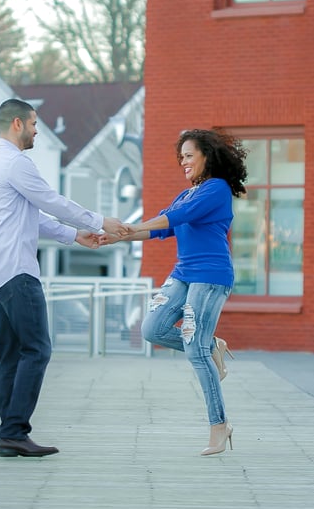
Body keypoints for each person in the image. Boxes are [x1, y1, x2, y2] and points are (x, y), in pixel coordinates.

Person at [0, 98, 129, 458]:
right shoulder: (15, 163)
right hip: (15, 270)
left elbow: (32, 215)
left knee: (12, 356)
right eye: (32, 124)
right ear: (16, 124)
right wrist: (97, 221)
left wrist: (74, 236)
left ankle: (10, 434)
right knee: (38, 349)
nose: (36, 131)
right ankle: (14, 430)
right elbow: (50, 201)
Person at [104, 128, 248, 455]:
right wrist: (115, 237)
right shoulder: (187, 194)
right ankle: (214, 346)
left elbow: (177, 217)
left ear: (206, 156)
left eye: (188, 155)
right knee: (152, 328)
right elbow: (164, 228)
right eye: (180, 157)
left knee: (194, 350)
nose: (183, 162)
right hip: (183, 274)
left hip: (210, 276)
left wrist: (133, 225)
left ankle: (219, 426)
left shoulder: (216, 189)